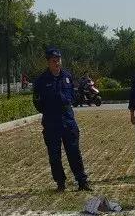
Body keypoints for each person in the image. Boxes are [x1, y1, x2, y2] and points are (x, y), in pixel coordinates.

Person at [32, 47, 91, 192]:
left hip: (68, 121)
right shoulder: (41, 80)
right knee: (54, 155)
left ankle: (82, 181)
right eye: (53, 60)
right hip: (52, 122)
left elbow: (73, 95)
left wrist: (66, 101)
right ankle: (60, 183)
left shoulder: (67, 76)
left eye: (58, 60)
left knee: (74, 152)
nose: (57, 63)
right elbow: (37, 102)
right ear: (48, 62)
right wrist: (49, 110)